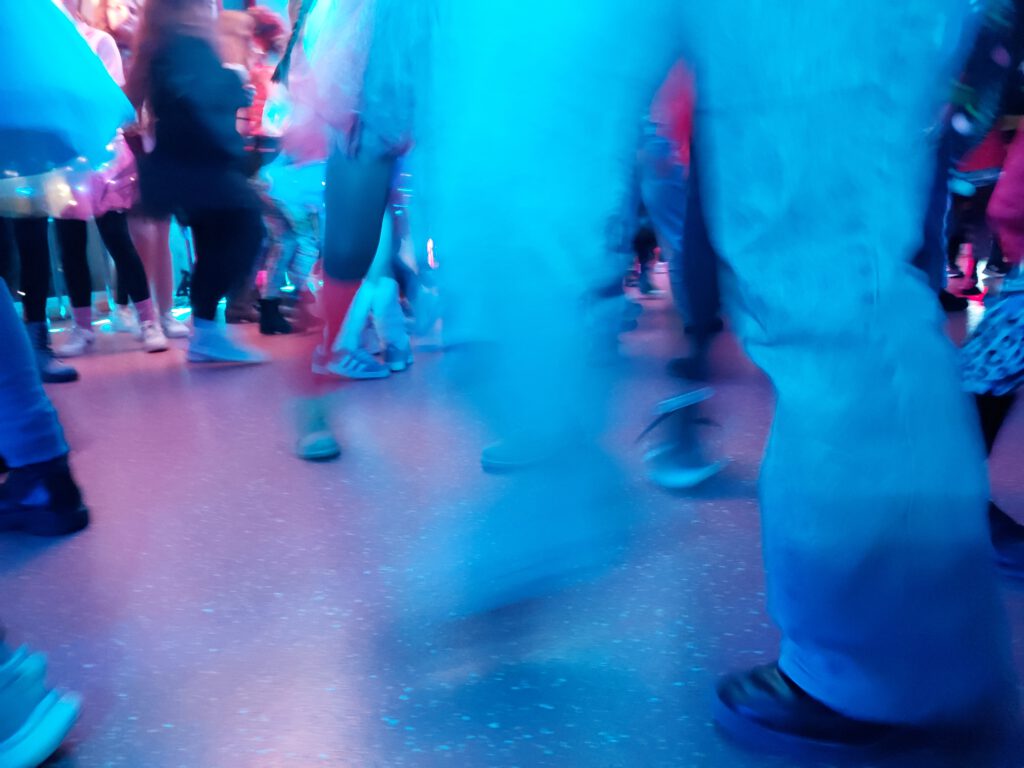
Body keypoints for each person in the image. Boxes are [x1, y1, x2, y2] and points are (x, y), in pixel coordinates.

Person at [128, 0, 267, 364]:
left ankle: (206, 332)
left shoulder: (159, 48)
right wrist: (233, 80)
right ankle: (206, 332)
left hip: (185, 166)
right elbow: (205, 97)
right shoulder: (187, 47)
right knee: (247, 229)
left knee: (214, 241)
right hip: (204, 166)